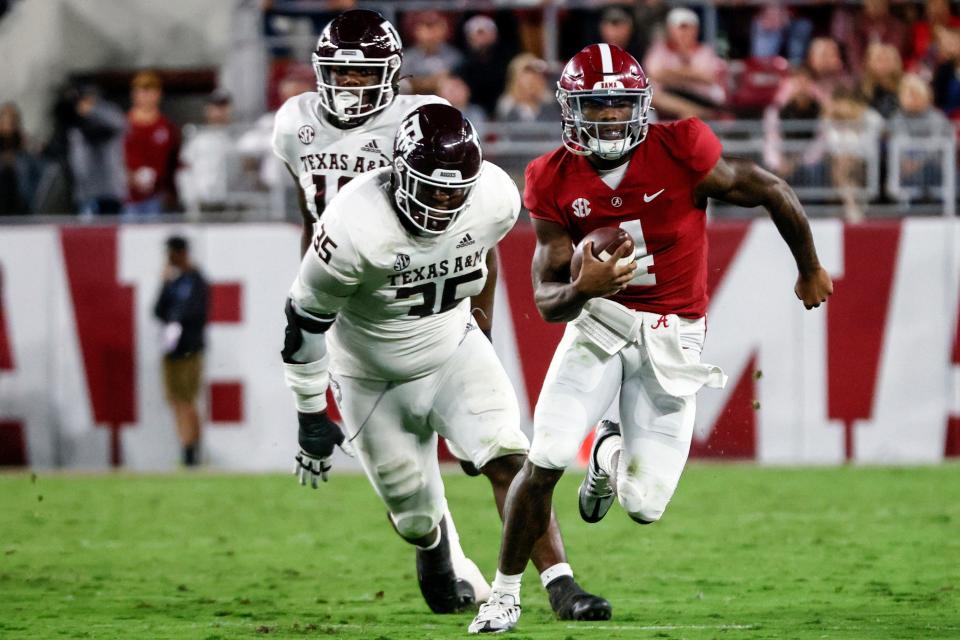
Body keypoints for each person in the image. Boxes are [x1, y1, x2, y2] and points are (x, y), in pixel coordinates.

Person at [468, 43, 833, 634]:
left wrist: (809, 267)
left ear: (640, 105)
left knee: (644, 506)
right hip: (601, 323)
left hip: (673, 335)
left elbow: (768, 187)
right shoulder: (551, 177)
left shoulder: (682, 149)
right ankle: (504, 596)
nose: (610, 117)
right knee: (546, 456)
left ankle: (608, 451)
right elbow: (546, 301)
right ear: (571, 109)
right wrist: (585, 288)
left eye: (618, 104)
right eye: (596, 105)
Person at [282, 103, 611, 619]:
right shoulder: (352, 224)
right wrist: (308, 411)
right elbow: (303, 320)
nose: (442, 202)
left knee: (510, 457)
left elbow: (484, 253)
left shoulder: (494, 197)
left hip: (452, 347)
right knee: (412, 513)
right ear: (397, 173)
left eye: (454, 191)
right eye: (430, 188)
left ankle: (562, 585)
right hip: (370, 376)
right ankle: (434, 545)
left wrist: (481, 327)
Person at [153, 235, 209, 467]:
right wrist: (164, 283)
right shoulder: (174, 282)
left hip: (189, 348)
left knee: (185, 400)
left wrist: (176, 317)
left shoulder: (196, 280)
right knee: (177, 400)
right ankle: (189, 447)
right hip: (172, 349)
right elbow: (157, 310)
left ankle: (190, 450)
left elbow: (196, 312)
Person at [642, 7, 727, 120]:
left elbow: (707, 76)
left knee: (688, 117)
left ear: (696, 29)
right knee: (653, 97)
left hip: (700, 98)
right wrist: (689, 74)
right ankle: (704, 113)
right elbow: (655, 74)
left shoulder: (705, 51)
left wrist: (671, 73)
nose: (685, 32)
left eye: (688, 28)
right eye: (680, 28)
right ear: (670, 30)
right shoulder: (659, 49)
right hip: (669, 97)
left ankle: (701, 112)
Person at [125, 71, 180, 215]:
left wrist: (171, 192)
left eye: (150, 91)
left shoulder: (166, 127)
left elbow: (173, 161)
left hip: (157, 196)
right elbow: (113, 159)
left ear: (158, 94)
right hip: (127, 196)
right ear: (134, 94)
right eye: (142, 91)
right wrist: (130, 177)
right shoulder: (123, 125)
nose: (146, 96)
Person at [177, 88, 235, 214]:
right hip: (201, 204)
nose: (220, 112)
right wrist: (189, 201)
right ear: (207, 110)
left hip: (228, 205)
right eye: (216, 107)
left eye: (223, 107)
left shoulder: (236, 140)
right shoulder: (197, 139)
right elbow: (184, 171)